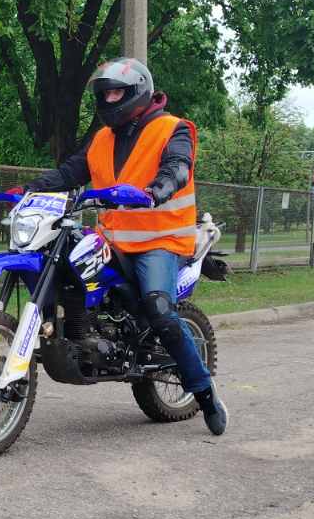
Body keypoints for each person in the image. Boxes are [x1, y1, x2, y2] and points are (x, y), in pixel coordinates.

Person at [26, 57, 228, 436]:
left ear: (138, 92)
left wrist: (157, 191)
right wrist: (31, 187)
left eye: (116, 92)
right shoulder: (102, 139)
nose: (109, 99)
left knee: (159, 310)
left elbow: (178, 167)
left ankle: (205, 393)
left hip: (161, 241)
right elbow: (71, 172)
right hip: (111, 240)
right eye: (103, 94)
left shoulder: (174, 129)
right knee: (68, 267)